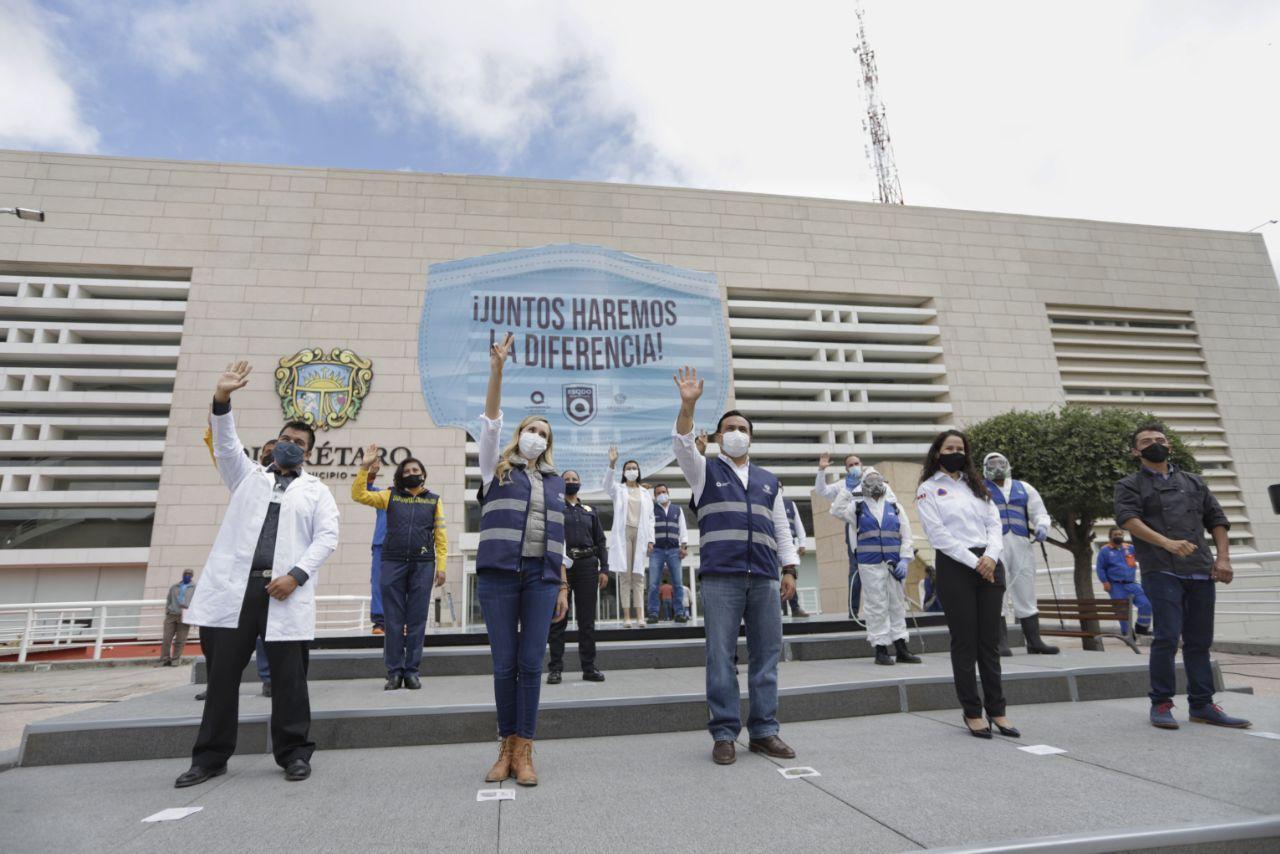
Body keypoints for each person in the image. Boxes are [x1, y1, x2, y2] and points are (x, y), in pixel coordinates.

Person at [176, 360, 340, 788]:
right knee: (222, 680)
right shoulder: (246, 476)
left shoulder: (317, 491)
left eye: (298, 442)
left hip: (284, 591)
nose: (289, 446)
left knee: (289, 681)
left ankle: (293, 753)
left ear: (308, 451)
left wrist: (297, 576)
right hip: (236, 590)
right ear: (273, 444)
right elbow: (227, 444)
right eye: (284, 439)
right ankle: (210, 757)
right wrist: (223, 398)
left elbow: (327, 537)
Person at [672, 365, 799, 766]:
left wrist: (790, 568)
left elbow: (781, 527)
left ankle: (764, 731)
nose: (736, 432)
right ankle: (725, 732)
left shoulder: (768, 480)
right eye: (729, 427)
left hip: (763, 577)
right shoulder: (703, 470)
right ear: (719, 435)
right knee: (720, 657)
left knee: (766, 656)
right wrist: (687, 406)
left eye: (742, 427)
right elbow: (680, 443)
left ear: (750, 436)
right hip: (721, 578)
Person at [477, 333, 570, 786]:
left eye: (543, 434)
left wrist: (563, 583)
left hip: (541, 578)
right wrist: (498, 371)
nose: (536, 437)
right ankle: (504, 745)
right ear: (520, 435)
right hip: (498, 577)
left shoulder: (555, 483)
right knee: (503, 664)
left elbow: (560, 538)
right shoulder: (496, 465)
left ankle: (524, 750)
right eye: (531, 430)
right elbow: (490, 420)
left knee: (531, 664)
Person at [1114, 422, 1249, 730]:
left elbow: (1217, 519)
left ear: (1170, 446)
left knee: (1200, 640)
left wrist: (1223, 558)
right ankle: (1161, 703)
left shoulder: (1194, 482)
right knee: (1166, 636)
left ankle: (1202, 705)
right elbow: (1128, 520)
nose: (1154, 444)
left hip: (1200, 569)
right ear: (1136, 451)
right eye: (1146, 441)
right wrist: (1167, 543)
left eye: (1160, 439)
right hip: (1159, 568)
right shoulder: (1129, 484)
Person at [916, 429, 1019, 740]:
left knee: (990, 643)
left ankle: (997, 710)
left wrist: (990, 557)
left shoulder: (979, 486)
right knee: (965, 643)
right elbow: (938, 535)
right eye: (950, 447)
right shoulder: (928, 489)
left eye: (960, 448)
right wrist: (975, 563)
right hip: (956, 566)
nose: (956, 452)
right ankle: (973, 712)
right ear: (938, 453)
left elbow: (994, 524)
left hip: (989, 564)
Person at [352, 444, 448, 690]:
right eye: (406, 470)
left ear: (423, 474)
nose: (411, 473)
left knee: (416, 620)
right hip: (392, 561)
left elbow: (441, 537)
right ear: (399, 476)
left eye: (416, 469)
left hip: (423, 564)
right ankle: (394, 672)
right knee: (393, 621)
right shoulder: (389, 495)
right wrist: (365, 468)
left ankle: (412, 671)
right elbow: (358, 495)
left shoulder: (434, 500)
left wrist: (442, 566)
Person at [831, 467, 921, 665]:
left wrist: (905, 560)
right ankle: (881, 649)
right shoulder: (857, 508)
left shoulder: (895, 507)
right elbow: (835, 511)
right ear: (863, 485)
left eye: (878, 480)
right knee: (876, 606)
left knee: (897, 604)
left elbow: (906, 534)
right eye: (870, 481)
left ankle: (901, 648)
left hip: (893, 564)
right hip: (870, 564)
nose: (875, 485)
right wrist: (847, 489)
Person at [981, 453, 1059, 656]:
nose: (997, 467)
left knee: (1025, 588)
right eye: (992, 464)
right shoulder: (979, 488)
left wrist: (1042, 526)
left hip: (1021, 543)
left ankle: (1034, 641)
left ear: (1008, 465)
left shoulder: (1024, 487)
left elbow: (1039, 512)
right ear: (985, 467)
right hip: (993, 545)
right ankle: (1000, 643)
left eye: (1001, 463)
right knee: (997, 591)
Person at [547, 469, 610, 684]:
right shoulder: (555, 508)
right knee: (558, 620)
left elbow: (600, 541)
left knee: (587, 621)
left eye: (574, 479)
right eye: (567, 480)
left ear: (580, 483)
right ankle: (555, 668)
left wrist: (604, 568)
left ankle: (589, 667)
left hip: (587, 567)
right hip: (562, 567)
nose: (571, 482)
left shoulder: (590, 510)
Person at [603, 448, 654, 628]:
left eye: (634, 468)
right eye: (629, 468)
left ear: (638, 471)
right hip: (624, 533)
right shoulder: (618, 489)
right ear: (624, 472)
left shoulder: (645, 493)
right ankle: (626, 617)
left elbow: (650, 518)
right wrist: (612, 464)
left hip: (640, 534)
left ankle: (640, 616)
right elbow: (607, 485)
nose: (632, 470)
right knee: (625, 576)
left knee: (638, 576)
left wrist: (650, 540)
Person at [815, 452, 866, 618]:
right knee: (855, 569)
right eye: (850, 465)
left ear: (862, 464)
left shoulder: (871, 481)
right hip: (853, 528)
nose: (854, 467)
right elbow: (821, 490)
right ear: (846, 469)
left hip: (875, 528)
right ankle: (853, 612)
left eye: (856, 463)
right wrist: (822, 470)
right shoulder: (843, 485)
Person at [1095, 527, 1152, 637]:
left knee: (1146, 604)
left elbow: (1142, 557)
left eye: (1120, 534)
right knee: (1122, 611)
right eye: (1115, 535)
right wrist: (1105, 582)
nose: (1118, 536)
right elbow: (1100, 568)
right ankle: (1127, 633)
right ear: (1110, 537)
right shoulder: (1105, 550)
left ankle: (1142, 628)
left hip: (1132, 583)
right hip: (1116, 585)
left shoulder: (1130, 548)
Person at [646, 483, 689, 624]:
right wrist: (648, 544)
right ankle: (653, 613)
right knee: (653, 584)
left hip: (674, 550)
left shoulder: (677, 509)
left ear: (668, 492)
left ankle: (679, 613)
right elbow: (648, 528)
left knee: (677, 583)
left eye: (663, 491)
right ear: (655, 496)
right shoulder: (651, 509)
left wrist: (684, 547)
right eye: (658, 493)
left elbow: (683, 529)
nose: (661, 494)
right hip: (656, 550)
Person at [363, 457, 389, 635]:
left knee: (403, 585)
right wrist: (371, 472)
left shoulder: (418, 499)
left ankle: (401, 621)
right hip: (381, 545)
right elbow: (364, 490)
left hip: (405, 548)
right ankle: (379, 622)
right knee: (378, 583)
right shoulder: (385, 495)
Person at [780, 499, 810, 618]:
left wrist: (802, 543)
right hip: (769, 542)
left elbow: (798, 523)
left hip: (788, 543)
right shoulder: (766, 498)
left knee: (790, 576)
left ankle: (795, 608)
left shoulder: (790, 504)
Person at [160, 570, 196, 666]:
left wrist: (193, 616)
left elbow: (196, 602)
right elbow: (169, 600)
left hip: (185, 616)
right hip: (171, 615)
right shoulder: (174, 587)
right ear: (182, 575)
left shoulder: (195, 588)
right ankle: (164, 659)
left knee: (180, 639)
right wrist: (167, 611)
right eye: (185, 574)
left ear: (192, 576)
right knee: (167, 638)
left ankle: (175, 659)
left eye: (189, 574)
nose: (187, 576)